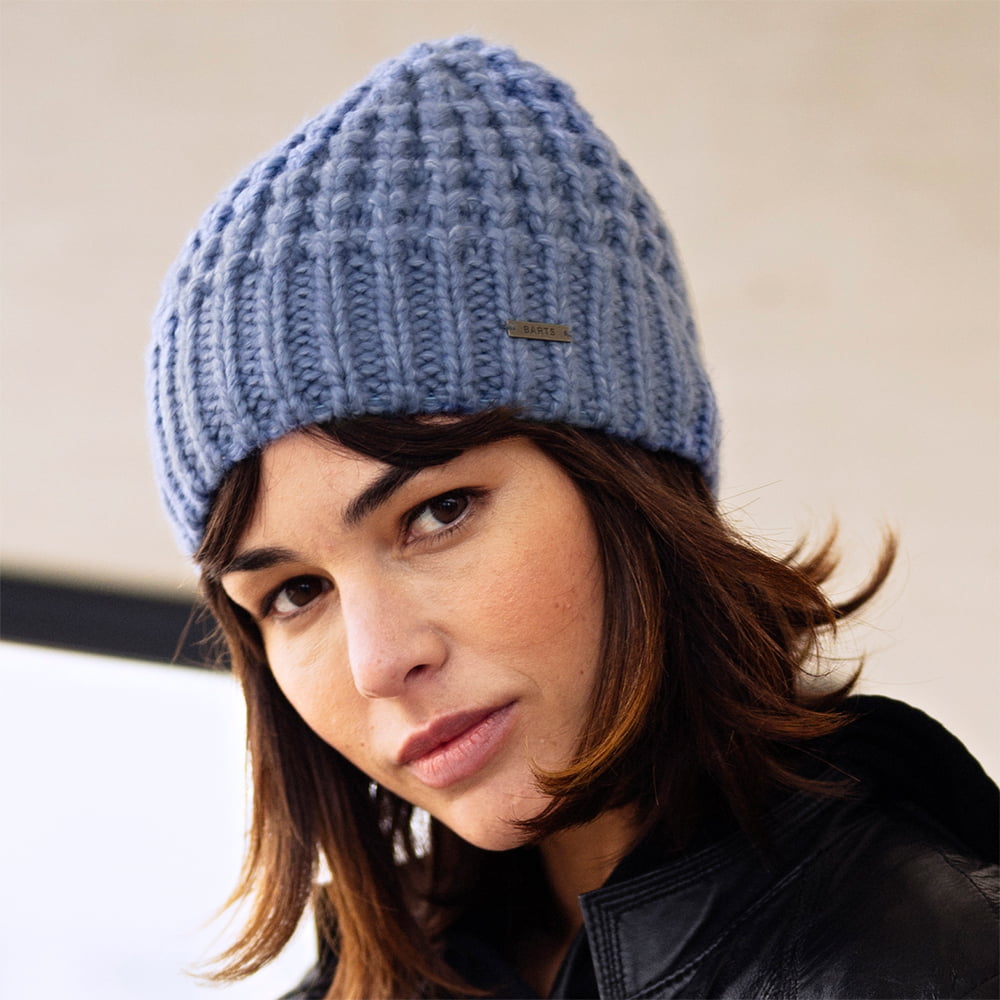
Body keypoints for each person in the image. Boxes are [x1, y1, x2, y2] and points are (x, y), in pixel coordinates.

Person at [147, 37, 998, 1000]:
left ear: (629, 483)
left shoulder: (935, 961)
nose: (378, 662)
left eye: (439, 512)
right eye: (296, 591)